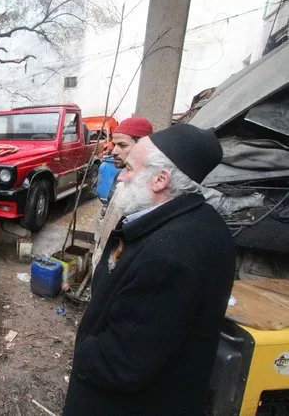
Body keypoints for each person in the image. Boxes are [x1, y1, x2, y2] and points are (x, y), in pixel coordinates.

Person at [63, 124, 236, 416]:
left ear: (160, 179)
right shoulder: (201, 218)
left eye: (129, 168)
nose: (121, 174)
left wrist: (85, 351)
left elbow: (121, 363)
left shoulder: (170, 257)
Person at [93, 117, 153, 272]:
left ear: (143, 146)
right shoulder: (119, 176)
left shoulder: (150, 188)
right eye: (114, 144)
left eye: (122, 145)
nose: (114, 151)